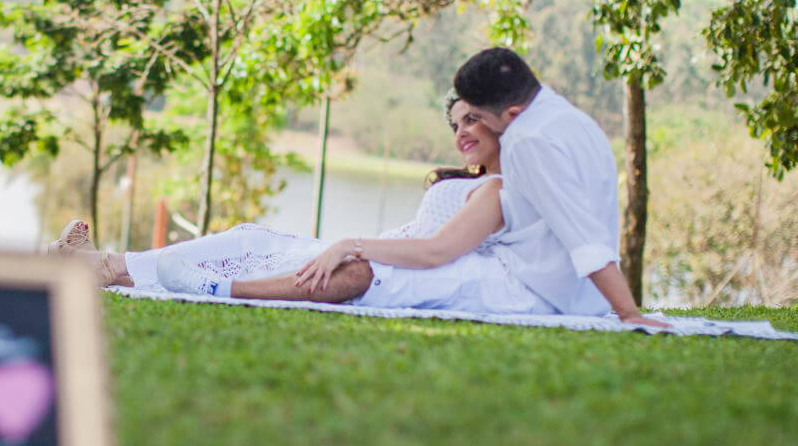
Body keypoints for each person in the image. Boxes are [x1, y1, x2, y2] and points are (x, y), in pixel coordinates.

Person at [49, 95, 557, 315]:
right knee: (250, 238)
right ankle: (106, 264)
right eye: (456, 125)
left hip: (402, 263)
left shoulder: (508, 189)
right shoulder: (477, 182)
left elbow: (445, 250)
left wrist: (354, 247)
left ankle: (107, 267)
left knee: (256, 252)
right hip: (396, 251)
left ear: (501, 120)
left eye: (472, 121)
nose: (462, 133)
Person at [452, 46, 668, 328]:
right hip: (574, 293)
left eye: (480, 117)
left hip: (536, 290)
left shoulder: (526, 139)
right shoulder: (576, 120)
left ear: (512, 113)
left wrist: (629, 314)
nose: (483, 126)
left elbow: (583, 235)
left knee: (394, 277)